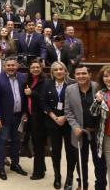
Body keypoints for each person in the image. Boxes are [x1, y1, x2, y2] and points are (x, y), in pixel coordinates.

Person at [64, 65, 107, 190]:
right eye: (78, 74)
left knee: (99, 162)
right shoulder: (69, 89)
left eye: (84, 73)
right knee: (81, 162)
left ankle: (100, 186)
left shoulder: (99, 87)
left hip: (98, 132)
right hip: (79, 132)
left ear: (89, 75)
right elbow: (68, 111)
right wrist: (75, 126)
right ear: (74, 76)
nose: (81, 76)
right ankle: (83, 184)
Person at [39, 61, 76, 189]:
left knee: (71, 151)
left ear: (65, 71)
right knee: (55, 151)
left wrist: (65, 117)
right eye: (56, 70)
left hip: (69, 123)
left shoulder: (73, 84)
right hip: (53, 122)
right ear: (52, 72)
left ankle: (70, 177)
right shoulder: (47, 84)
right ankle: (57, 176)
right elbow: (43, 102)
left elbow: (76, 104)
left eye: (61, 69)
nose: (59, 72)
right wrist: (54, 117)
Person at [0, 57, 28, 181]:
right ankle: (1, 167)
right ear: (4, 66)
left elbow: (26, 96)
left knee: (17, 141)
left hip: (19, 116)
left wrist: (25, 113)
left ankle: (15, 164)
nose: (11, 67)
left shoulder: (23, 77)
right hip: (4, 117)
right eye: (9, 65)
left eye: (13, 65)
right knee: (2, 141)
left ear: (17, 66)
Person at [24, 58, 48, 180]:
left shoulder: (45, 81)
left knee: (38, 145)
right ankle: (42, 167)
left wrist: (32, 93)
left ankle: (38, 173)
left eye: (37, 67)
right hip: (30, 116)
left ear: (41, 68)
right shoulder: (28, 79)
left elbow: (44, 98)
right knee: (36, 143)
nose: (35, 69)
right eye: (33, 67)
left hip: (40, 118)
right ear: (30, 69)